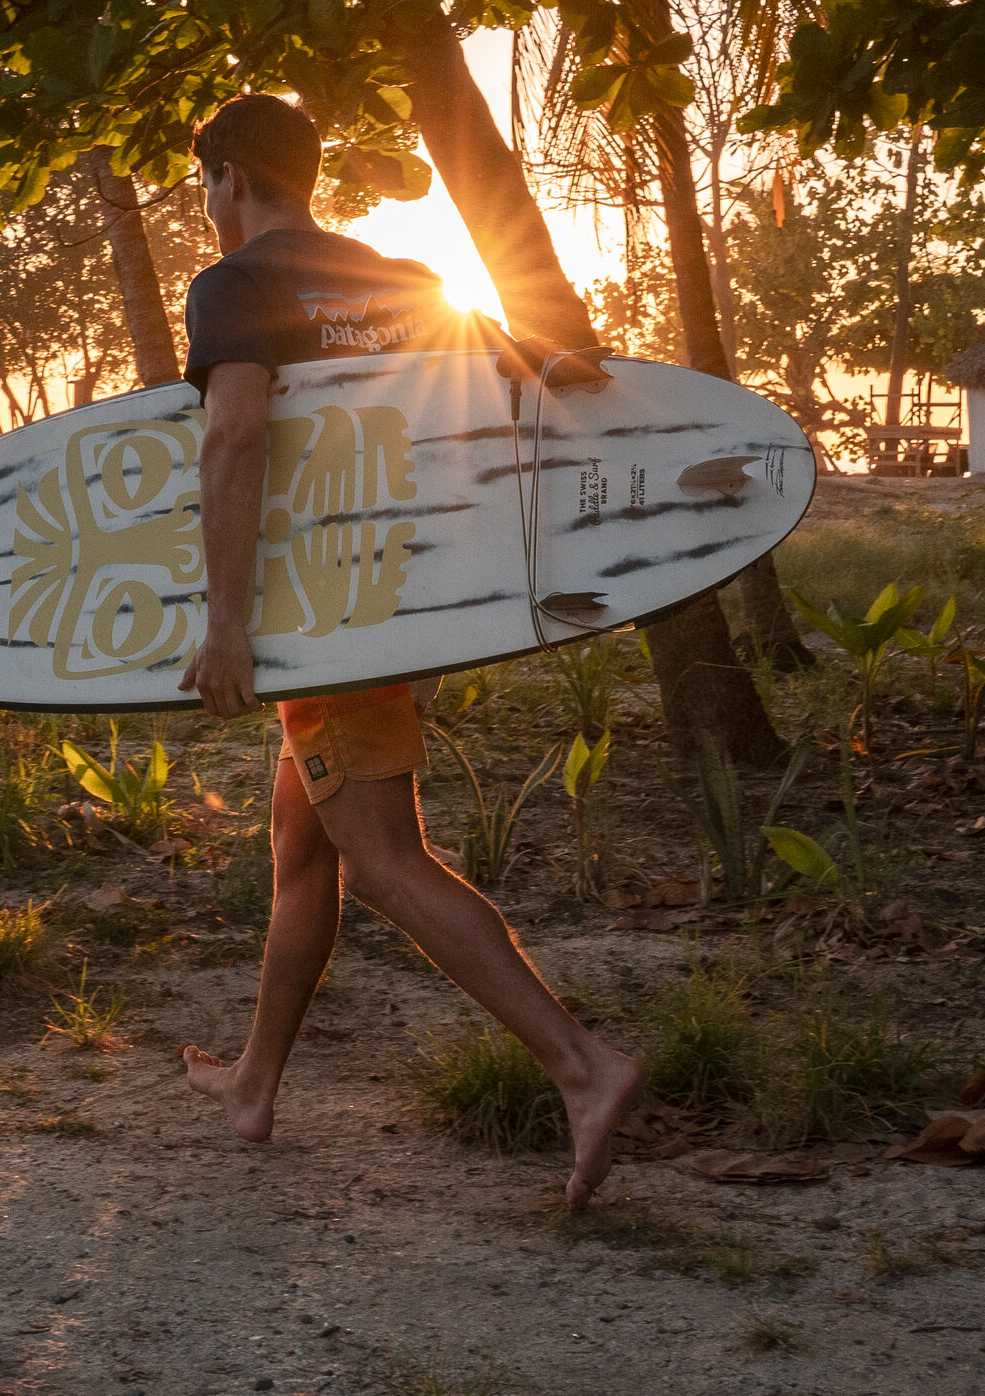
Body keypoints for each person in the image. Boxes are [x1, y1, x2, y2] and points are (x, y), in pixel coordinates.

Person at [173, 94, 641, 1207]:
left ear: (229, 176)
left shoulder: (234, 284)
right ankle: (251, 1083)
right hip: (408, 605)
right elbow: (487, 384)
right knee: (305, 850)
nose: (204, 203)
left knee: (381, 860)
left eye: (203, 185)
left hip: (326, 620)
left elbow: (236, 434)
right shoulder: (395, 274)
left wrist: (224, 621)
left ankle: (582, 1066)